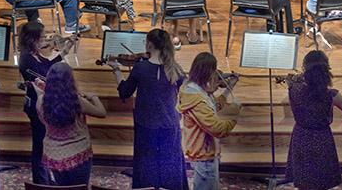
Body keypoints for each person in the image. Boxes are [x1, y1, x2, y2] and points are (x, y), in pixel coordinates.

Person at [106, 29, 188, 189]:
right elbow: (185, 94)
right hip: (170, 125)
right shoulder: (176, 69)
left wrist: (116, 69)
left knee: (145, 165)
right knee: (170, 165)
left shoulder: (141, 69)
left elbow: (124, 91)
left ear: (149, 44)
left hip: (145, 126)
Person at [285, 50, 342, 189]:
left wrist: (296, 78)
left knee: (304, 179)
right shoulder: (331, 95)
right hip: (322, 138)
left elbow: (293, 80)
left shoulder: (294, 89)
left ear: (305, 69)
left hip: (300, 136)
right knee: (322, 180)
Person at [34, 62, 106, 185]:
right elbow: (101, 113)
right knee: (80, 187)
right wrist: (94, 97)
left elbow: (43, 121)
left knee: (62, 187)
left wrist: (39, 92)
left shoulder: (41, 101)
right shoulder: (77, 101)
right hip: (78, 153)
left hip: (54, 154)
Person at [178, 52, 242, 190]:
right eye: (213, 71)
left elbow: (213, 106)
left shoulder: (199, 91)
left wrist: (229, 87)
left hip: (206, 154)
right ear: (206, 74)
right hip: (204, 156)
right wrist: (234, 113)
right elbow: (218, 129)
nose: (216, 76)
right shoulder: (197, 100)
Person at [16, 21, 64, 183]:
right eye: (42, 38)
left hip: (41, 104)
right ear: (32, 39)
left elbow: (47, 65)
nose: (45, 41)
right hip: (35, 106)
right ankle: (40, 182)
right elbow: (46, 74)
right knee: (39, 147)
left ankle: (44, 180)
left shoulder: (34, 54)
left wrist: (64, 52)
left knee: (43, 145)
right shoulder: (26, 59)